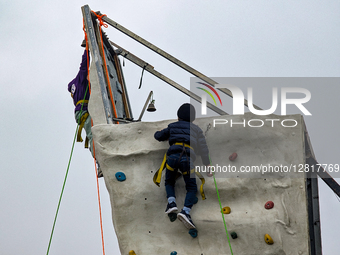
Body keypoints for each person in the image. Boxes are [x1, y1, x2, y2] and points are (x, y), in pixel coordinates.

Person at [154, 103, 210, 229]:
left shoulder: (172, 126)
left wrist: (157, 133)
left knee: (169, 181)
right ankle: (185, 211)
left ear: (178, 116)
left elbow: (159, 136)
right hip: (187, 159)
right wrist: (207, 164)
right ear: (193, 119)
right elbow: (203, 149)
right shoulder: (197, 130)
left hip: (172, 157)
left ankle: (172, 203)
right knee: (191, 187)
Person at [68, 46, 102, 177]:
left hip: (80, 112)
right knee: (95, 136)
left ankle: (100, 162)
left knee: (92, 134)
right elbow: (84, 64)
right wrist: (87, 48)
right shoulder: (81, 79)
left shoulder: (74, 86)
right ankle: (101, 163)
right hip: (84, 110)